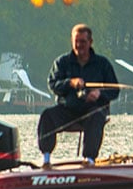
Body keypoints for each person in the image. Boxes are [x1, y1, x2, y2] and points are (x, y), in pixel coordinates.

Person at [37, 24, 120, 164]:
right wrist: (70, 83)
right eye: (76, 41)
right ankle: (46, 158)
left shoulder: (102, 64)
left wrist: (99, 95)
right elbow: (53, 84)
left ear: (90, 42)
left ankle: (89, 159)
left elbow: (114, 90)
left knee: (95, 115)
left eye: (83, 42)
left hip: (92, 111)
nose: (79, 45)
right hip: (68, 110)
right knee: (47, 115)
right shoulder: (62, 62)